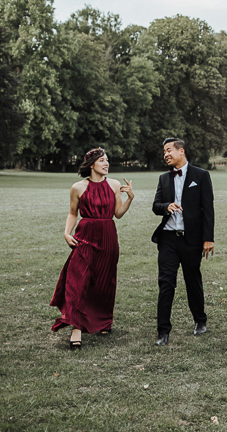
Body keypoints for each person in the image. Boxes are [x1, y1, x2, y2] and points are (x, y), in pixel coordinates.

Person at [52, 148, 135, 349]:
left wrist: (130, 198)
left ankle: (104, 321)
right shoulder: (78, 187)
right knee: (77, 280)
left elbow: (118, 214)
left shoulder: (114, 185)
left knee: (105, 281)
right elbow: (73, 213)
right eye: (102, 161)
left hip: (108, 236)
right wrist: (66, 232)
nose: (106, 164)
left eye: (107, 160)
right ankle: (76, 327)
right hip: (85, 236)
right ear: (92, 165)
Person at [151, 138, 215, 347]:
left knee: (192, 280)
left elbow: (208, 209)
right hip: (168, 238)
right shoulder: (163, 178)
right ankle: (163, 331)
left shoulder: (201, 176)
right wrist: (166, 206)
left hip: (192, 239)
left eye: (169, 150)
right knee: (166, 282)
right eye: (164, 152)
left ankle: (200, 320)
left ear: (181, 151)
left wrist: (208, 238)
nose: (166, 155)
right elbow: (156, 205)